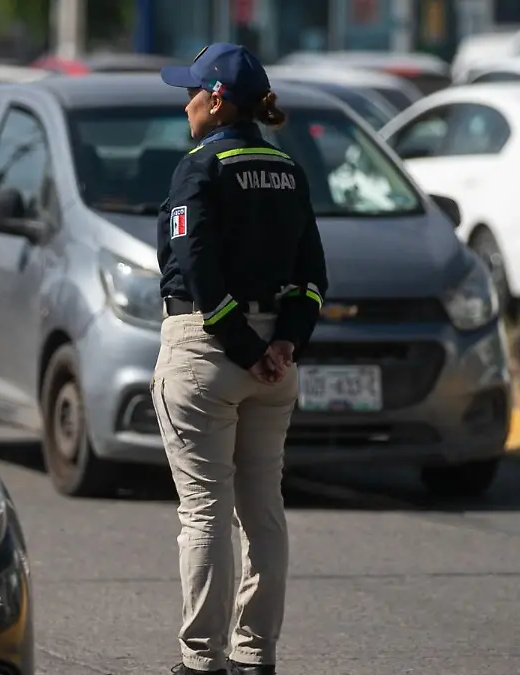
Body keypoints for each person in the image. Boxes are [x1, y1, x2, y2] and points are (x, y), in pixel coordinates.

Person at [151, 43, 328, 675]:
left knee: (204, 512)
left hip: (208, 352)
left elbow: (197, 269)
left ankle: (203, 662)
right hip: (273, 365)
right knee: (263, 512)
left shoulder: (199, 168)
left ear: (217, 99)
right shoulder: (287, 168)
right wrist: (283, 344)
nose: (187, 103)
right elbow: (312, 275)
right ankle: (257, 658)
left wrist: (247, 349)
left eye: (191, 92)